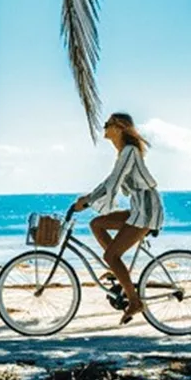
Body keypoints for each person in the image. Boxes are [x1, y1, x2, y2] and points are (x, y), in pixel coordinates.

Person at [72, 113, 165, 325]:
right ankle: (116, 270)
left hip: (147, 209)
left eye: (107, 124)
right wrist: (88, 198)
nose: (104, 128)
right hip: (138, 208)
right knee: (97, 224)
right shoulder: (124, 153)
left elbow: (113, 182)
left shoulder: (129, 152)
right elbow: (109, 182)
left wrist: (87, 200)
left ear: (120, 127)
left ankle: (134, 301)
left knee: (111, 255)